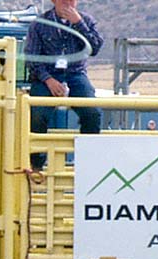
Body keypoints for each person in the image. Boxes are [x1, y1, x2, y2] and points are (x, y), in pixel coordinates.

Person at [24, 0, 103, 171]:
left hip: (75, 74)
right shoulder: (39, 24)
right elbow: (32, 58)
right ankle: (37, 163)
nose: (67, 2)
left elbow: (95, 47)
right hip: (47, 76)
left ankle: (88, 163)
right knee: (37, 115)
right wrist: (48, 79)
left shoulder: (87, 21)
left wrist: (79, 24)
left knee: (92, 114)